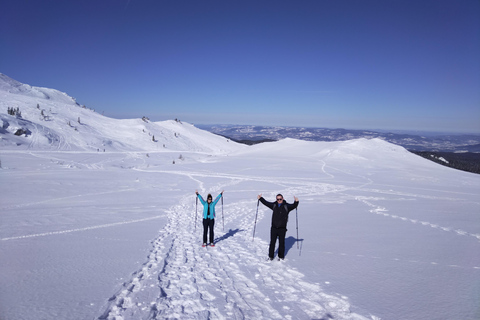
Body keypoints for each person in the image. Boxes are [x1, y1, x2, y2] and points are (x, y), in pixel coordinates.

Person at [258, 193, 299, 260]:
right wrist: (260, 198)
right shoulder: (274, 205)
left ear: (283, 199)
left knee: (281, 243)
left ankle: (281, 256)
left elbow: (294, 206)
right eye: (278, 199)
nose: (279, 200)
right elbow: (266, 203)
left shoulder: (286, 206)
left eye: (280, 199)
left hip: (282, 229)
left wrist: (296, 201)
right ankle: (270, 256)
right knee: (272, 243)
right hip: (274, 228)